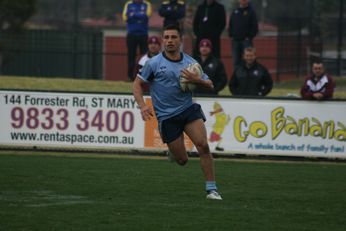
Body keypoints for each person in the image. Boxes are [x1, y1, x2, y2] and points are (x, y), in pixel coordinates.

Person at [133, 24, 222, 200]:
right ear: (162, 40)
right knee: (182, 160)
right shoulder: (154, 63)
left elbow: (211, 84)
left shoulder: (191, 63)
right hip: (167, 117)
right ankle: (174, 152)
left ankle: (212, 189)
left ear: (180, 40)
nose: (169, 41)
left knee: (203, 145)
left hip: (188, 110)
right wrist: (143, 105)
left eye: (173, 37)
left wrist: (198, 80)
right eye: (166, 37)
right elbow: (136, 84)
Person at [122, 0, 152, 81]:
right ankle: (130, 77)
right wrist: (139, 16)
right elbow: (125, 17)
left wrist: (133, 15)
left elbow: (146, 16)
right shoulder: (128, 4)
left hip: (143, 34)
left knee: (145, 56)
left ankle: (144, 76)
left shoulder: (147, 4)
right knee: (131, 56)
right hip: (131, 35)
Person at [228, 0, 258, 68]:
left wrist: (249, 37)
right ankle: (237, 77)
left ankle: (250, 76)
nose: (243, 1)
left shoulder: (251, 12)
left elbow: (255, 27)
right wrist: (231, 35)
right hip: (235, 40)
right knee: (236, 61)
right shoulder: (235, 12)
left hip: (246, 41)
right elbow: (231, 24)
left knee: (249, 60)